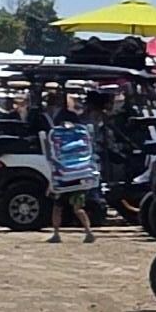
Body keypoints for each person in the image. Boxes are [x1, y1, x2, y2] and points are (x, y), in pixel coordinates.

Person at [44, 101, 102, 242]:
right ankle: (88, 232)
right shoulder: (81, 132)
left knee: (58, 207)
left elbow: (51, 156)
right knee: (78, 208)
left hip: (63, 176)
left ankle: (56, 234)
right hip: (80, 174)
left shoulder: (56, 133)